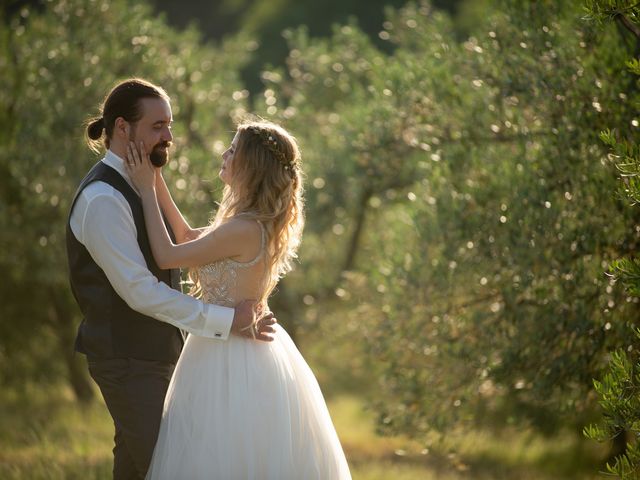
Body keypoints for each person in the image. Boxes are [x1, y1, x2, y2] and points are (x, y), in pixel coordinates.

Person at [66, 78, 276, 480]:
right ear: (123, 128)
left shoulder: (141, 183)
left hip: (156, 354)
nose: (169, 136)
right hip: (126, 359)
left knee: (136, 468)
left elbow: (183, 241)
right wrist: (227, 320)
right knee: (172, 469)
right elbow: (141, 293)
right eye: (158, 126)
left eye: (170, 125)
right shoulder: (103, 200)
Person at [124, 119, 352, 479]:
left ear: (250, 165)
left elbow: (168, 255)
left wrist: (146, 191)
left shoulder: (244, 229)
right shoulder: (248, 224)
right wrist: (154, 175)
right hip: (228, 344)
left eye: (233, 150)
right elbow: (185, 236)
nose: (225, 154)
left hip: (229, 356)